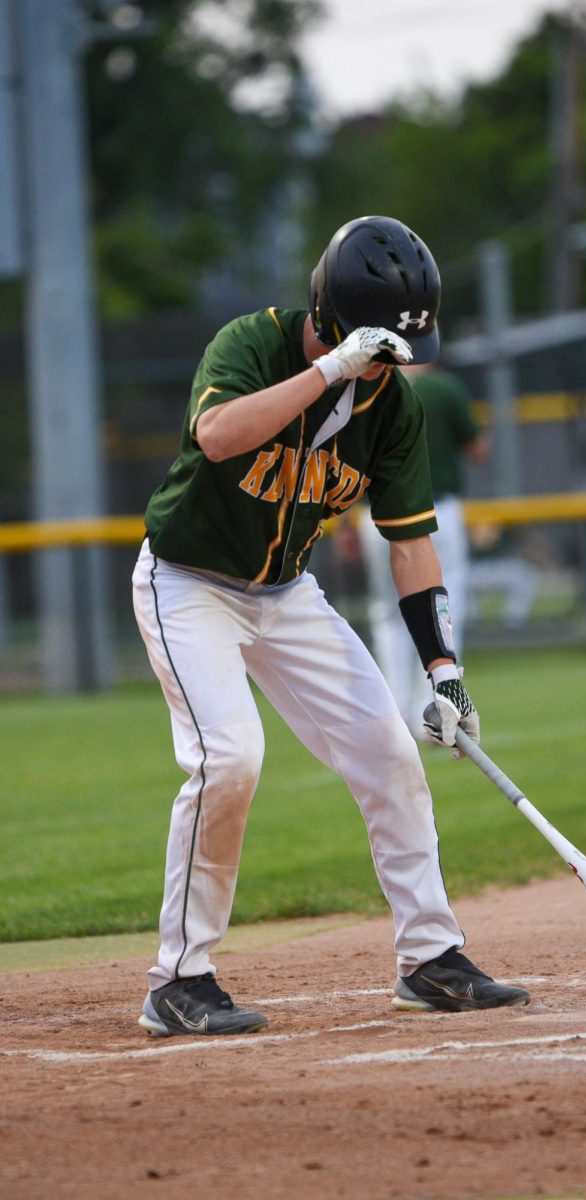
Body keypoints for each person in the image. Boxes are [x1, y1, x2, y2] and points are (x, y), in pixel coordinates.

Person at [132, 215, 530, 1037]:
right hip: (186, 585)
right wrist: (327, 371)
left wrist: (443, 669)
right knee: (230, 756)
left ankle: (430, 959)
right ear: (332, 314)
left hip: (285, 595)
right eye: (376, 344)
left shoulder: (394, 406)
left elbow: (412, 543)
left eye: (396, 348)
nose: (388, 364)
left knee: (387, 753)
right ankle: (179, 979)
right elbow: (216, 436)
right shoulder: (251, 342)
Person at [358, 363, 489, 734]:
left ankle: (394, 713)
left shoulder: (365, 386)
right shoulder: (444, 388)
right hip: (438, 511)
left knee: (387, 615)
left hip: (375, 514)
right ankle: (434, 710)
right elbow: (477, 449)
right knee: (444, 609)